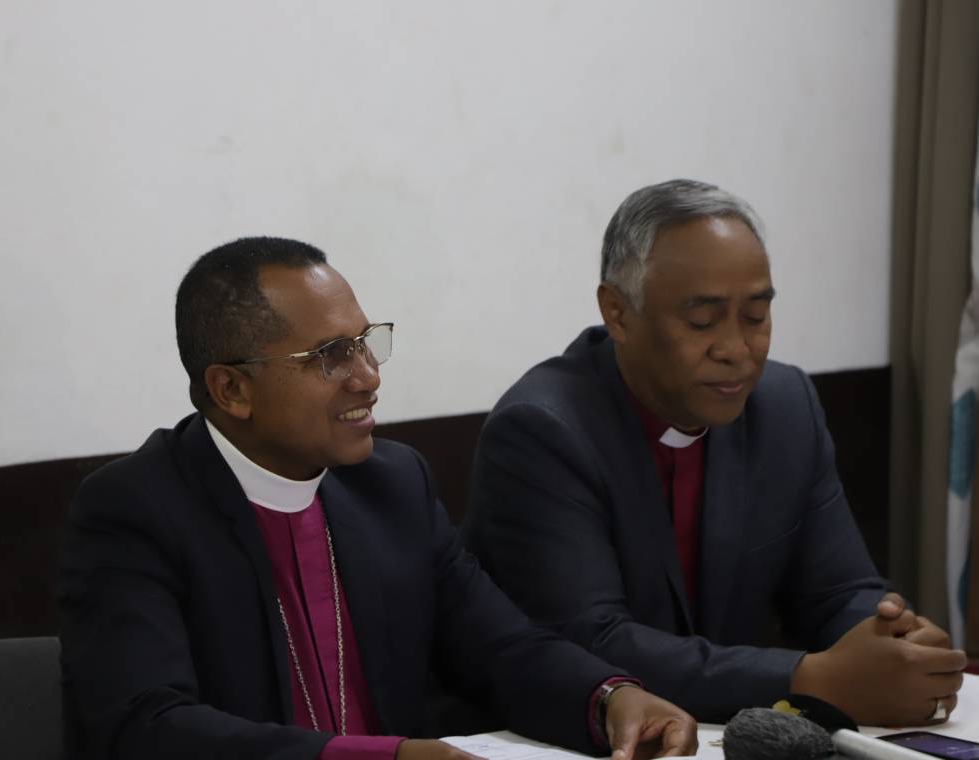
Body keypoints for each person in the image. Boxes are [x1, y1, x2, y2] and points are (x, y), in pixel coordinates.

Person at [58, 237, 697, 760]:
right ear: (232, 390)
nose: (368, 376)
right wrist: (385, 758)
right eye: (332, 356)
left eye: (366, 342)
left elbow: (500, 646)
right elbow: (148, 726)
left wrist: (608, 698)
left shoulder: (391, 484)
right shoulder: (135, 511)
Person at [463, 179, 967, 727]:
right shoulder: (542, 431)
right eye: (701, 321)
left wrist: (892, 639)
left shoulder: (784, 406)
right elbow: (589, 643)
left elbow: (838, 590)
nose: (735, 349)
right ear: (618, 312)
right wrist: (807, 679)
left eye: (755, 316)